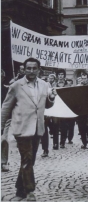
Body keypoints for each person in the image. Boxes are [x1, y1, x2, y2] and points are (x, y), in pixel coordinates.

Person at [1, 58, 57, 201]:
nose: (31, 71)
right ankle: (30, 190)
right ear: (24, 69)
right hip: (22, 128)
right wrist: (0, 126)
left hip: (38, 128)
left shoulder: (45, 85)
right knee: (27, 158)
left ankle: (20, 189)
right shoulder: (16, 86)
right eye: (28, 68)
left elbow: (45, 106)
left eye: (34, 68)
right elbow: (6, 108)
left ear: (39, 69)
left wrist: (51, 98)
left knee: (29, 160)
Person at [77, 72, 88, 149]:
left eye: (85, 78)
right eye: (82, 78)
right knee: (81, 126)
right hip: (81, 110)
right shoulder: (77, 87)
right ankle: (84, 142)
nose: (83, 80)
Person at [40, 74, 56, 157]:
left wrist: (52, 97)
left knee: (44, 131)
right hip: (29, 113)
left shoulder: (44, 86)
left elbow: (48, 102)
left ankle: (45, 149)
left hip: (42, 113)